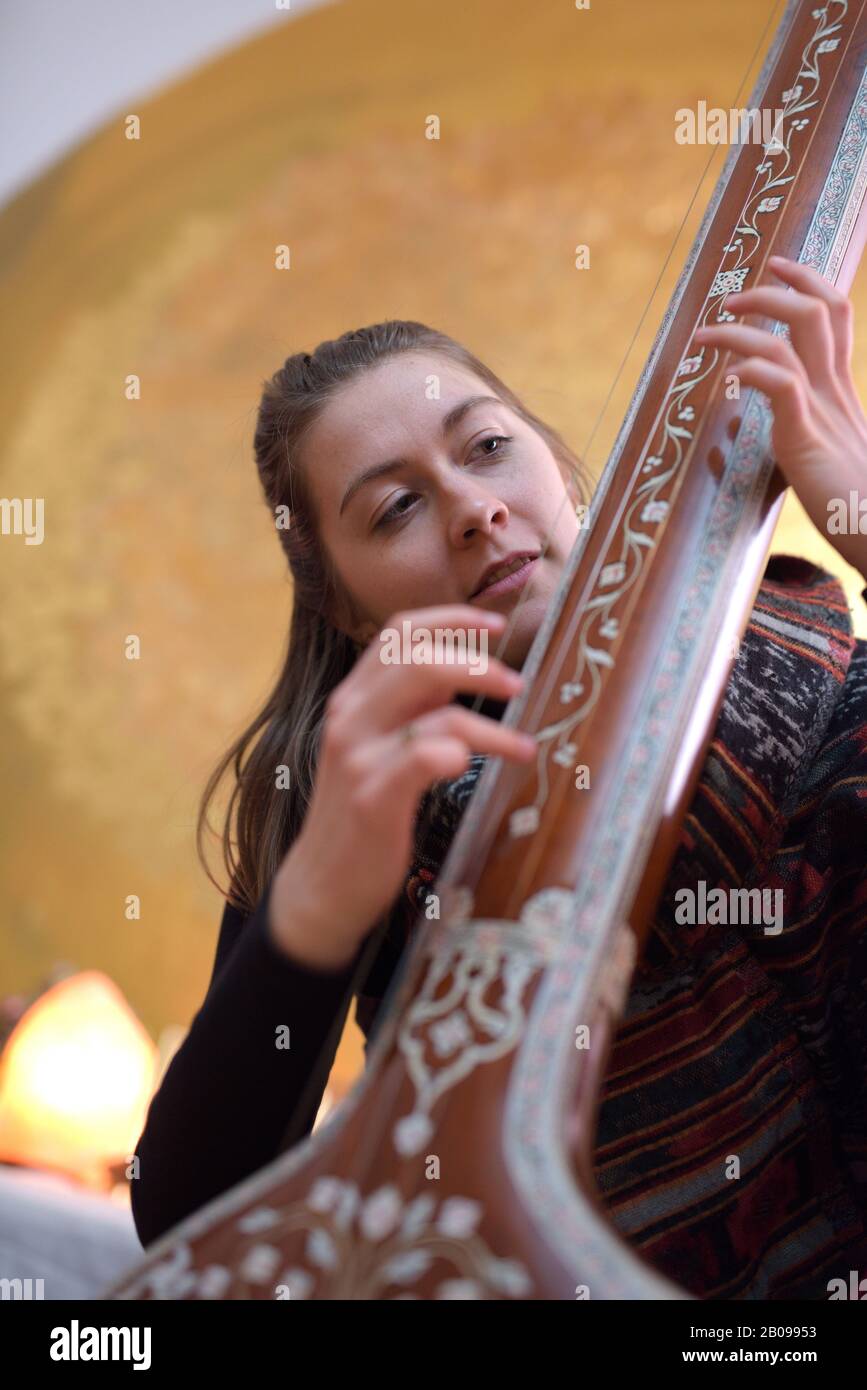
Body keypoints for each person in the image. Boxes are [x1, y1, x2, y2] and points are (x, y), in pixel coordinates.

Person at [130, 257, 867, 1298]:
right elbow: (185, 1217)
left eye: (487, 448)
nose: (475, 510)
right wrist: (314, 910)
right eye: (394, 510)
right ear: (346, 610)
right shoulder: (348, 798)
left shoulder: (825, 654)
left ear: (559, 471)